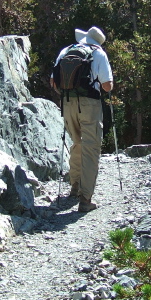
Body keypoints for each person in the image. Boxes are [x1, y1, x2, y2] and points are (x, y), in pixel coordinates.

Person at [53, 26, 114, 212]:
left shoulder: (66, 51)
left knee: (76, 143)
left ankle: (75, 186)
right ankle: (85, 199)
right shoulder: (99, 54)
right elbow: (107, 86)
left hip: (67, 103)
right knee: (91, 148)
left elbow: (53, 82)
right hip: (89, 105)